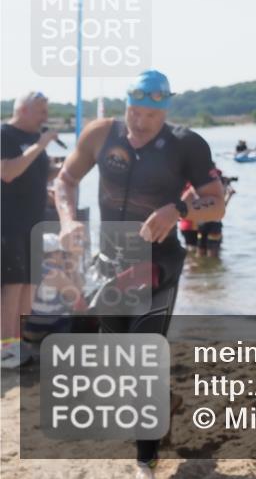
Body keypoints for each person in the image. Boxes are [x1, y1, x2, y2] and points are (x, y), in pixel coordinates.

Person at [54, 70, 226, 476]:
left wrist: (178, 210)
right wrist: (66, 220)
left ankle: (146, 463)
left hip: (158, 262)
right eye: (134, 111)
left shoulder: (187, 144)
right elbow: (66, 178)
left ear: (165, 110)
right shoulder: (100, 134)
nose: (140, 122)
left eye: (150, 114)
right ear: (125, 103)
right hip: (110, 261)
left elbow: (218, 202)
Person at [1, 92, 61, 368]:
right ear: (23, 110)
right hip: (8, 225)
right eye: (41, 111)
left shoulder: (37, 143)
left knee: (29, 288)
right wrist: (40, 144)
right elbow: (9, 171)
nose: (45, 118)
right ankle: (5, 350)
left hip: (34, 224)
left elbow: (35, 173)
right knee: (11, 290)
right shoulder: (5, 135)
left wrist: (61, 171)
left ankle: (20, 346)